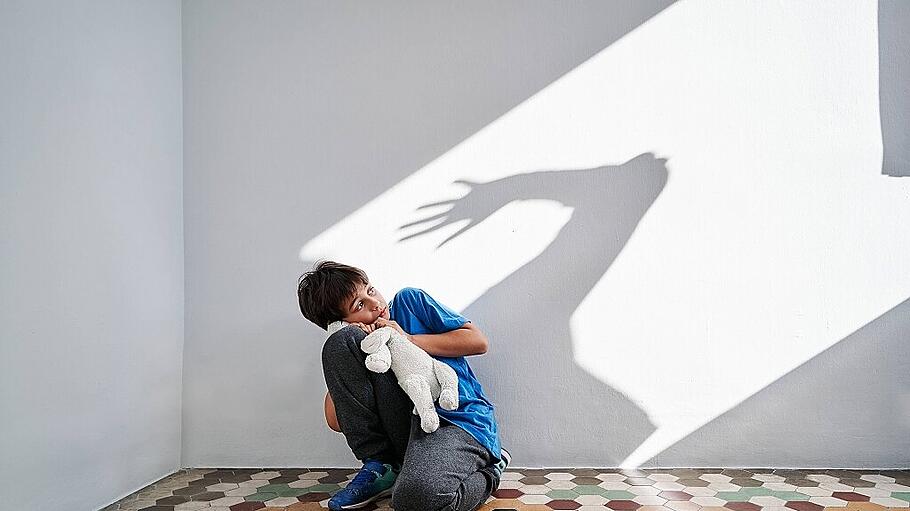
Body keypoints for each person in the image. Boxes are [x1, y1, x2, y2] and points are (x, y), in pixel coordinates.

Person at [297, 260, 510, 511]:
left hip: (457, 421)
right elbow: (336, 421)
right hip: (409, 430)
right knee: (339, 343)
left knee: (414, 501)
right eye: (360, 305)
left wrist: (407, 339)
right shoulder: (356, 341)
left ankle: (492, 470)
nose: (375, 303)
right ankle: (383, 465)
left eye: (370, 290)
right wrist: (346, 343)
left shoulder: (410, 302)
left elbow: (477, 341)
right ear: (343, 320)